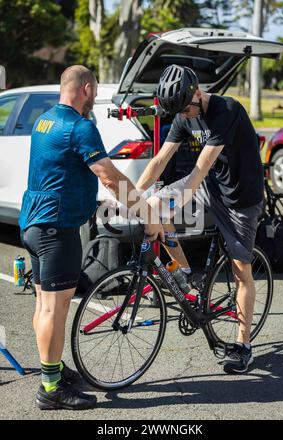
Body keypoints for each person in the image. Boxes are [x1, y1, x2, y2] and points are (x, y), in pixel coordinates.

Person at [19, 65, 164, 410]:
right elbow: (110, 176)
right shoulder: (80, 127)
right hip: (57, 229)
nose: (95, 98)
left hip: (33, 224)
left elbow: (61, 169)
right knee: (56, 309)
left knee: (44, 305)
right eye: (95, 92)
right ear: (85, 88)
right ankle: (50, 389)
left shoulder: (46, 120)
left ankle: (51, 369)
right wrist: (147, 214)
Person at [136, 64, 264, 374]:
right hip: (212, 190)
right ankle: (184, 275)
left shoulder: (226, 110)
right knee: (155, 210)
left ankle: (243, 345)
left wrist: (151, 199)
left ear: (197, 93)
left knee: (240, 271)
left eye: (187, 109)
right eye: (180, 112)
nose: (186, 116)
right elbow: (158, 161)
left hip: (241, 200)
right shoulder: (183, 114)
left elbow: (195, 175)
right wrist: (128, 197)